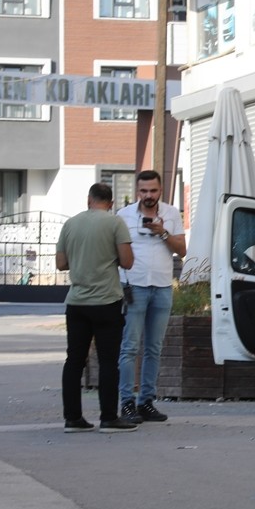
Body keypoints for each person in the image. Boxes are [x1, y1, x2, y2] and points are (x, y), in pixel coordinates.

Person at [56, 182, 138, 433]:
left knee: (74, 361)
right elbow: (127, 262)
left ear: (88, 200)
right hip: (106, 302)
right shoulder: (115, 223)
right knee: (107, 361)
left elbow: (61, 264)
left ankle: (72, 418)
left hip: (77, 302)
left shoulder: (70, 224)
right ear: (110, 203)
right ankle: (109, 417)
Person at [117, 169, 187, 423]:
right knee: (130, 347)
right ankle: (126, 402)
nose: (148, 196)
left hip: (162, 286)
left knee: (154, 348)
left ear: (160, 190)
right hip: (134, 286)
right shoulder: (123, 216)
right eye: (144, 191)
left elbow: (182, 249)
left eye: (153, 191)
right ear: (138, 191)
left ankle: (146, 401)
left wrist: (163, 233)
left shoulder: (170, 214)